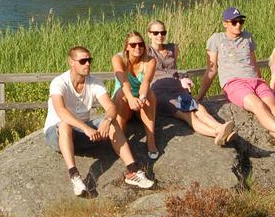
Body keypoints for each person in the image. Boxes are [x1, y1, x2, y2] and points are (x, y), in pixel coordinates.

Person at [44, 46, 156, 196]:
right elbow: (61, 112)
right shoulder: (59, 82)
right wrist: (86, 128)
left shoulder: (94, 82)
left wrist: (107, 120)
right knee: (65, 125)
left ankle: (133, 171)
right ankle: (75, 176)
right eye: (83, 61)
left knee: (112, 121)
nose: (87, 64)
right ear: (71, 62)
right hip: (57, 135)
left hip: (83, 134)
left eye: (89, 60)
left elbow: (111, 107)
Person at [198, 7, 275, 156]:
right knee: (258, 105)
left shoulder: (248, 37)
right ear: (225, 23)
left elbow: (253, 63)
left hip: (255, 80)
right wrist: (199, 98)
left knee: (273, 106)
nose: (238, 25)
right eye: (234, 22)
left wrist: (263, 83)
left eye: (241, 21)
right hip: (234, 83)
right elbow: (212, 69)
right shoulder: (216, 39)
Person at [146, 20, 235, 146]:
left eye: (163, 32)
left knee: (199, 107)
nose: (160, 35)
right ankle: (216, 133)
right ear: (149, 34)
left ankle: (221, 127)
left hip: (177, 87)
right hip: (159, 91)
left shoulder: (172, 48)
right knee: (188, 114)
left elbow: (173, 69)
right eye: (155, 33)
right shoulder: (145, 51)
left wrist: (183, 78)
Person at [110, 31, 159, 159]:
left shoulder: (150, 61)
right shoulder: (118, 59)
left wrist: (141, 98)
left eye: (141, 44)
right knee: (122, 94)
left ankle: (150, 139)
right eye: (133, 45)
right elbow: (123, 81)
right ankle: (120, 137)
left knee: (150, 94)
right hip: (124, 100)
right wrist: (131, 98)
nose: (138, 47)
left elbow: (146, 82)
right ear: (127, 46)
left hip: (140, 103)